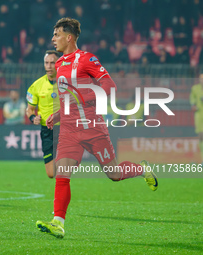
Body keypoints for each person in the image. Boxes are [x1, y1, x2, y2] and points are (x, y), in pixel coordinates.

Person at [36, 18, 158, 238]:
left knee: (114, 174)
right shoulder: (60, 64)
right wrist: (56, 115)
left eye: (56, 35)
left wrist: (81, 97)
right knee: (62, 174)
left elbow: (110, 87)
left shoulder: (87, 59)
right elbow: (68, 100)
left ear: (69, 37)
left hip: (93, 128)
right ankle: (58, 222)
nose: (53, 39)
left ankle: (142, 169)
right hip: (69, 131)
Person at [26, 50, 60, 178]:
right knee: (51, 174)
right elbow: (29, 109)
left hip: (64, 129)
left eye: (52, 63)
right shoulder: (36, 85)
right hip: (47, 131)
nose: (49, 66)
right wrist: (33, 118)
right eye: (46, 63)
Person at [190, 74, 203, 164]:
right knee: (201, 136)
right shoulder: (195, 88)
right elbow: (192, 100)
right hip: (199, 114)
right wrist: (193, 105)